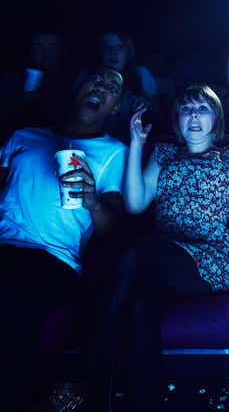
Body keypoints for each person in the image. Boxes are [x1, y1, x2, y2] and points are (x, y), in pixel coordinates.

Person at [87, 85, 229, 411]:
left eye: (202, 109)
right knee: (140, 306)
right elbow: (136, 204)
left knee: (134, 254)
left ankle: (91, 365)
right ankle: (138, 402)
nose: (193, 116)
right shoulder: (164, 153)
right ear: (177, 119)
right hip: (159, 260)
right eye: (186, 109)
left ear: (217, 118)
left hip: (208, 258)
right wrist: (138, 145)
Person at [0, 67, 127, 412]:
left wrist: (91, 200)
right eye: (94, 79)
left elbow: (114, 232)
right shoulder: (24, 137)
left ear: (115, 108)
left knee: (13, 298)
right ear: (77, 87)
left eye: (111, 87)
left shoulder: (113, 152)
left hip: (53, 260)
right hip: (4, 247)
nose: (99, 86)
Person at [77, 32, 163, 142]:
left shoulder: (141, 74)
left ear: (128, 51)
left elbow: (158, 114)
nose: (114, 53)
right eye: (107, 47)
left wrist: (145, 105)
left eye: (120, 47)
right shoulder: (87, 75)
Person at [0, 31, 71, 138]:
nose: (45, 54)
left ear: (61, 52)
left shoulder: (73, 86)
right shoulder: (10, 81)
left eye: (52, 48)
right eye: (39, 47)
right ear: (30, 51)